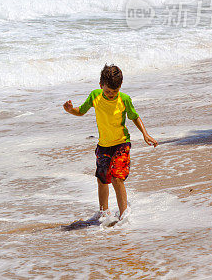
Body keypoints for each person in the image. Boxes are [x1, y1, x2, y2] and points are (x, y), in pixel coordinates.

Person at [62, 64, 158, 225]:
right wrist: (71, 110)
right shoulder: (95, 96)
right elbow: (81, 111)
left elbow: (134, 116)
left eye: (115, 91)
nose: (111, 94)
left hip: (121, 143)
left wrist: (145, 134)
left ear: (120, 87)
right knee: (102, 179)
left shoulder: (124, 99)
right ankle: (103, 213)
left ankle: (124, 215)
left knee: (116, 177)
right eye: (108, 91)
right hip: (103, 145)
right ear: (101, 86)